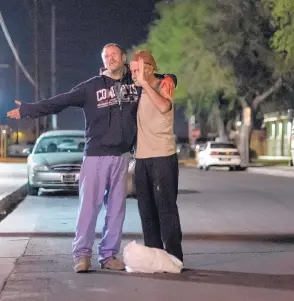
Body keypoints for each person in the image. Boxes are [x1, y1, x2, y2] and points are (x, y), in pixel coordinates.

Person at [7, 43, 138, 273]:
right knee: (89, 208)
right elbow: (61, 101)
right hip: (96, 156)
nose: (110, 58)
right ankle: (82, 255)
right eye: (106, 56)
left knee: (117, 210)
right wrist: (28, 109)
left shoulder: (134, 84)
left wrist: (168, 78)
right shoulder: (91, 87)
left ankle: (109, 256)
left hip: (121, 157)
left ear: (123, 57)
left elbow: (157, 78)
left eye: (114, 54)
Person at [130, 50, 183, 263]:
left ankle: (174, 258)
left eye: (137, 70)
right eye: (132, 70)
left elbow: (164, 106)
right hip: (141, 159)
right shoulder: (134, 88)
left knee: (166, 209)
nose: (133, 74)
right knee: (146, 212)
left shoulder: (163, 85)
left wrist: (148, 83)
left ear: (150, 69)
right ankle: (154, 256)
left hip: (163, 156)